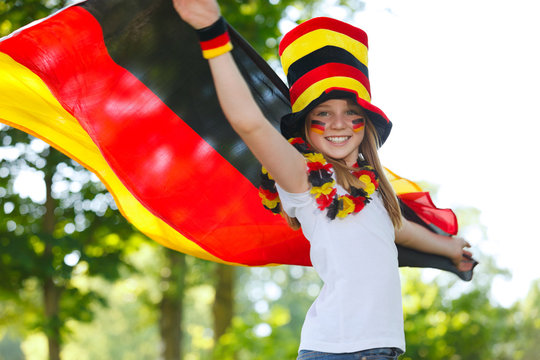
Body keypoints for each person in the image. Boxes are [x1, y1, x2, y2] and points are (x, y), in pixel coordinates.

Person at [173, 1, 474, 359]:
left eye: (351, 112)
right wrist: (212, 35)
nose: (338, 123)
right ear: (305, 126)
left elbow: (401, 230)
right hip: (338, 351)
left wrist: (451, 249)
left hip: (380, 350)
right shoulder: (303, 178)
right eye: (323, 113)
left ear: (366, 124)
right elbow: (249, 123)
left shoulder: (372, 189)